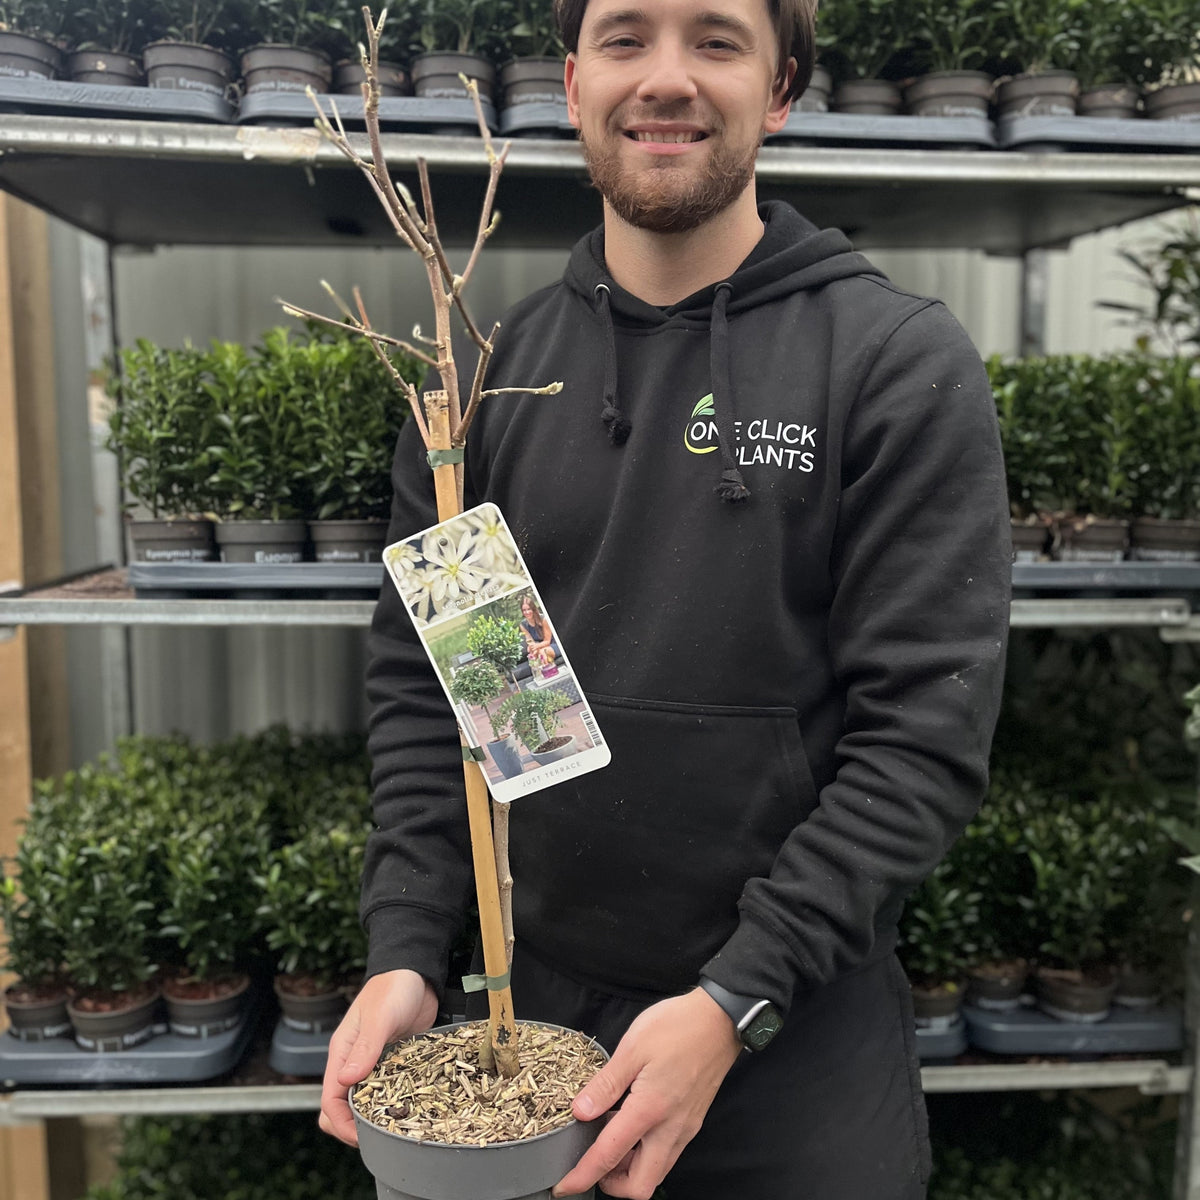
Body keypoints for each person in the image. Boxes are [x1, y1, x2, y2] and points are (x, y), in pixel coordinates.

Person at [320, 1, 1012, 1197]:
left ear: (781, 88)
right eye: (630, 38)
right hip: (531, 1043)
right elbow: (456, 702)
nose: (670, 79)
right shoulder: (481, 394)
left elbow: (920, 741)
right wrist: (406, 951)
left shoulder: (890, 364)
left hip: (793, 1046)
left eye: (718, 40)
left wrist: (737, 997)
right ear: (576, 82)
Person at [520, 594, 560, 670]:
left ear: (533, 609)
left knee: (542, 652)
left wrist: (536, 647)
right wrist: (531, 647)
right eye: (524, 610)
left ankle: (550, 672)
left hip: (553, 644)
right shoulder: (523, 624)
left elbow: (547, 641)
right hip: (540, 647)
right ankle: (540, 676)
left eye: (529, 609)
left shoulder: (544, 619)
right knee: (533, 655)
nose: (527, 612)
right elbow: (529, 640)